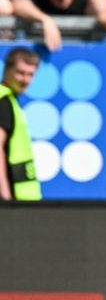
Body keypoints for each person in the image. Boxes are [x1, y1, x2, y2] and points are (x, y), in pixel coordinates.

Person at [0, 48, 42, 202]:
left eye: (30, 74)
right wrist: (5, 198)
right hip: (11, 199)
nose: (25, 80)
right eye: (20, 73)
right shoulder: (3, 101)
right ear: (7, 70)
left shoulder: (9, 100)